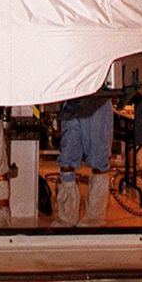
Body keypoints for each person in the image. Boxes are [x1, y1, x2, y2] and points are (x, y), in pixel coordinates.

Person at [52, 94, 113, 228]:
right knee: (67, 158)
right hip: (72, 100)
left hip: (98, 100)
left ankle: (95, 217)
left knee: (99, 160)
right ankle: (66, 216)